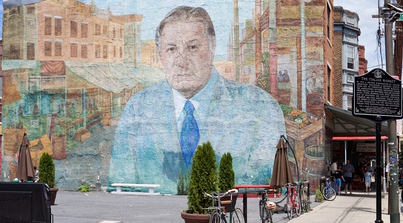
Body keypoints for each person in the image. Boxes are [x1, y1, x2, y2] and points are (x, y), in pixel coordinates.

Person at [109, 6, 285, 195]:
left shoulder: (260, 107)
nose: (181, 60)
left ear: (212, 47)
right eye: (171, 49)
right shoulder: (138, 107)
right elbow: (121, 186)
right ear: (160, 55)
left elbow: (268, 190)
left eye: (192, 47)